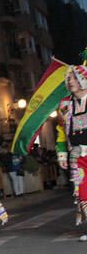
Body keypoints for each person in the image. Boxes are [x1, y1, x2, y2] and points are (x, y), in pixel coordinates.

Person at [55, 61, 87, 240]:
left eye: (74, 77)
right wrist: (62, 154)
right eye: (68, 77)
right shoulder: (65, 105)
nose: (70, 80)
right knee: (81, 191)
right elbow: (60, 131)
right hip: (76, 156)